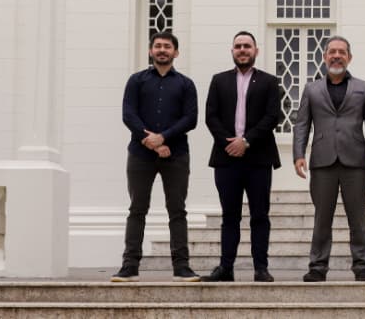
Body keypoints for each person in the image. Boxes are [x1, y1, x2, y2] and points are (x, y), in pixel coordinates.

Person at [292, 36, 365, 282]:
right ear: (324, 57)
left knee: (358, 218)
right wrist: (298, 154)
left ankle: (363, 266)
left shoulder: (363, 88)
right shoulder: (311, 89)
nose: (336, 56)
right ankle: (317, 267)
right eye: (332, 52)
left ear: (349, 57)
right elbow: (302, 124)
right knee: (322, 218)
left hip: (355, 162)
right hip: (322, 162)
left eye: (341, 52)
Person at [113, 33, 200, 283]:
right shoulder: (136, 81)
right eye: (158, 46)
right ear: (150, 51)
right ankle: (129, 267)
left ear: (176, 52)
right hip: (140, 154)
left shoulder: (186, 84)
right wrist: (150, 141)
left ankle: (182, 268)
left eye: (168, 47)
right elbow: (128, 114)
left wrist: (163, 138)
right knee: (137, 209)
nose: (162, 50)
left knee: (177, 210)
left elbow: (190, 118)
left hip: (176, 154)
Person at [202, 31, 284, 283]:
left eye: (247, 46)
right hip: (227, 158)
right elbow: (210, 116)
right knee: (230, 216)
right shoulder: (219, 80)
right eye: (238, 46)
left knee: (260, 215)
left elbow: (272, 117)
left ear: (256, 51)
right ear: (232, 51)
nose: (242, 50)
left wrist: (246, 141)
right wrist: (230, 142)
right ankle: (225, 268)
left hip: (258, 158)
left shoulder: (270, 82)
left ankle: (261, 268)